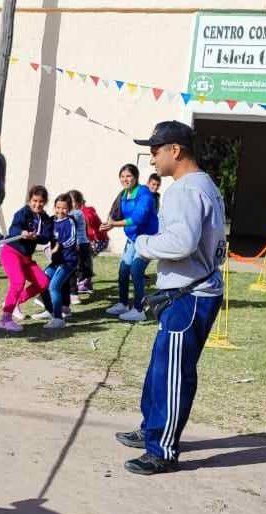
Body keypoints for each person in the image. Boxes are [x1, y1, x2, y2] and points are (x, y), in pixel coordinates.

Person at [114, 121, 227, 475]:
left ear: (175, 151)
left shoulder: (184, 190)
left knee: (173, 372)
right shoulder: (202, 185)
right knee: (161, 367)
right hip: (188, 292)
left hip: (190, 295)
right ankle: (151, 428)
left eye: (155, 151)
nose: (151, 158)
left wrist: (143, 245)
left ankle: (162, 448)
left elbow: (182, 242)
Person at [102, 164, 160, 323]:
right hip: (133, 238)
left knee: (136, 270)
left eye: (129, 176)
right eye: (123, 176)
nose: (125, 179)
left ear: (136, 177)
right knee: (123, 269)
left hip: (147, 238)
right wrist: (107, 224)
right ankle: (122, 303)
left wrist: (115, 224)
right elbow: (115, 213)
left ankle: (139, 310)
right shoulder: (124, 194)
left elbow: (139, 218)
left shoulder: (144, 193)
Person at [0, 185, 52, 333]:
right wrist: (22, 232)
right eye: (35, 200)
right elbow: (14, 229)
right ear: (30, 199)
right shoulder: (22, 213)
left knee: (43, 282)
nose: (37, 204)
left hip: (26, 257)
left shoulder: (45, 218)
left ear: (45, 202)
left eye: (41, 201)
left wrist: (36, 236)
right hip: (11, 252)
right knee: (18, 281)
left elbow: (46, 236)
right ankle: (5, 318)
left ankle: (13, 303)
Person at [36, 193, 78, 329]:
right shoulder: (51, 220)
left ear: (69, 209)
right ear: (54, 207)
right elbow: (43, 231)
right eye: (58, 208)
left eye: (64, 208)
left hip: (67, 262)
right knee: (42, 281)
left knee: (54, 287)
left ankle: (59, 319)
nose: (60, 211)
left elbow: (71, 239)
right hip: (56, 261)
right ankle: (51, 311)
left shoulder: (70, 222)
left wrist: (58, 245)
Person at [70, 190, 102, 295]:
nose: (70, 204)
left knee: (78, 266)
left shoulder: (77, 213)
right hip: (84, 243)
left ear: (79, 203)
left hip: (82, 243)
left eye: (72, 202)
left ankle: (79, 286)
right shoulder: (77, 212)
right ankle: (84, 283)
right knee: (83, 264)